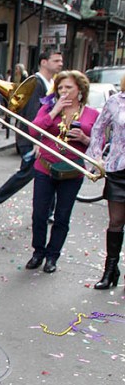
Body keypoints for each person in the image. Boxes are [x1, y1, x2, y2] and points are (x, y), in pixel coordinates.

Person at [26, 70, 98, 274]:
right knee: (39, 213)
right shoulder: (49, 106)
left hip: (72, 171)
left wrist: (84, 138)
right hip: (45, 167)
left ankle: (52, 256)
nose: (64, 91)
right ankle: (38, 252)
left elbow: (98, 145)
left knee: (62, 216)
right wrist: (54, 110)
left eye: (69, 87)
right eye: (60, 88)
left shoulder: (92, 113)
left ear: (80, 90)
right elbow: (33, 131)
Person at [0, 49, 63, 219]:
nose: (60, 64)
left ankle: (49, 211)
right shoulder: (36, 83)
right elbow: (31, 114)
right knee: (28, 173)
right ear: (44, 62)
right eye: (56, 60)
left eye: (60, 60)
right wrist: (37, 141)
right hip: (31, 137)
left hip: (43, 138)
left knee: (49, 172)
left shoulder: (51, 83)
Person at [87, 74, 125, 289]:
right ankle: (110, 270)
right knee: (116, 221)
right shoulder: (115, 101)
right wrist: (96, 156)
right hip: (118, 169)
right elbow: (98, 128)